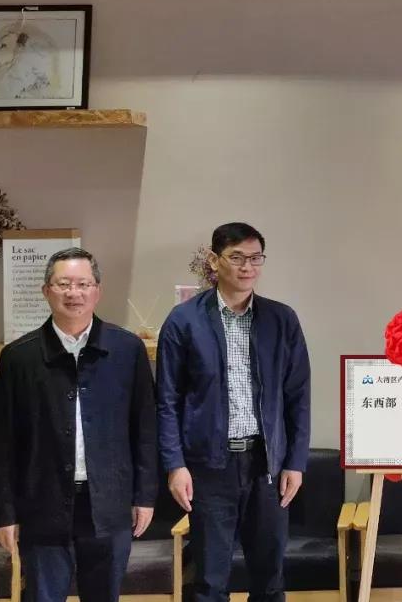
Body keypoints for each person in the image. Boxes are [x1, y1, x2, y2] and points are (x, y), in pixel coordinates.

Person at [0, 247, 157, 602]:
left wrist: (144, 496)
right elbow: (2, 442)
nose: (73, 293)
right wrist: (4, 513)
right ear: (46, 290)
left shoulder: (127, 350)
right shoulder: (19, 357)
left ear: (98, 291)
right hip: (41, 505)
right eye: (63, 284)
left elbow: (144, 429)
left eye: (83, 284)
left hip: (109, 504)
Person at [156, 222, 310, 602]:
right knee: (210, 580)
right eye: (237, 257)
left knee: (270, 578)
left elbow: (298, 396)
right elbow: (167, 401)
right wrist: (175, 465)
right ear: (214, 260)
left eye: (255, 258)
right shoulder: (184, 320)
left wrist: (295, 462)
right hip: (209, 467)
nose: (247, 267)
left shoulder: (281, 319)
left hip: (267, 465)